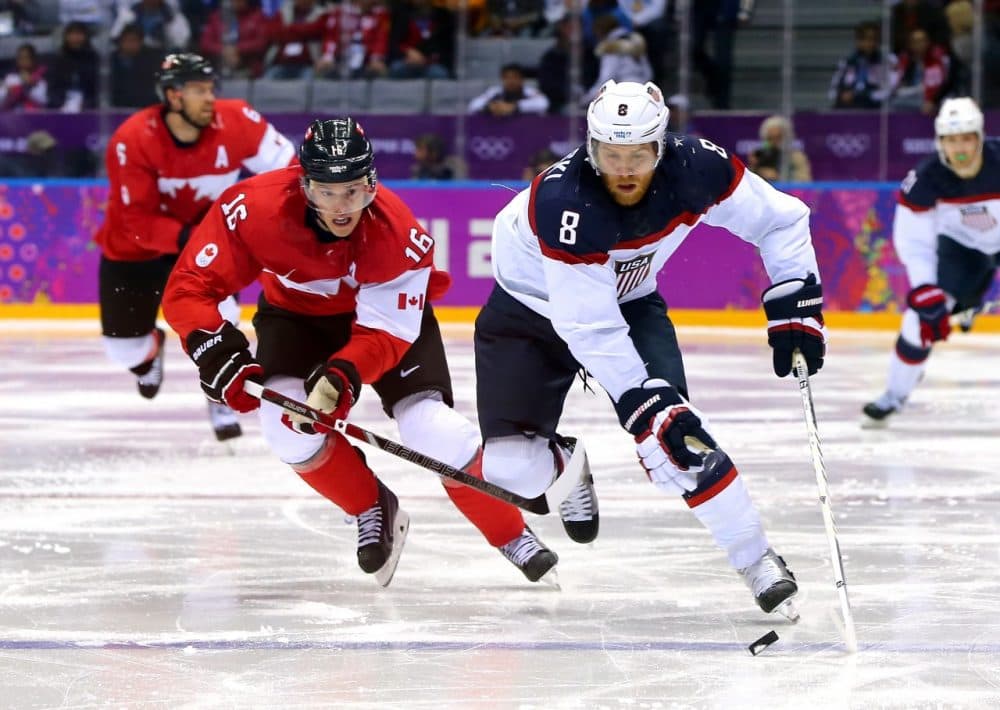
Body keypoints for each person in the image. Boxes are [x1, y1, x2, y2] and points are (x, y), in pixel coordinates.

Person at [160, 117, 567, 586]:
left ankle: (510, 532)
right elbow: (191, 285)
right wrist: (214, 347)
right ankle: (372, 506)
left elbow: (386, 334)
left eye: (353, 190)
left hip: (382, 332)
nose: (340, 207)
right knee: (285, 430)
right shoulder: (250, 207)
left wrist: (341, 376)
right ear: (303, 182)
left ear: (372, 182)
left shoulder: (399, 235)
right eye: (326, 191)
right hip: (295, 322)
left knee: (433, 431)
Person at [475, 79, 826, 618]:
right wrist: (643, 402)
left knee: (677, 439)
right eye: (610, 154)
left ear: (661, 147)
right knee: (510, 470)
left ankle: (758, 562)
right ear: (590, 148)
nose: (624, 168)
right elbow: (587, 325)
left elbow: (780, 221)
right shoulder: (565, 200)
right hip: (528, 314)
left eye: (638, 155)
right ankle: (565, 463)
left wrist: (795, 299)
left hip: (629, 303)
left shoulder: (698, 168)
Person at [94, 53, 296, 442]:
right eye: (198, 90)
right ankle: (149, 352)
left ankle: (224, 388)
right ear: (172, 96)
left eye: (210, 89)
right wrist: (190, 236)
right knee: (123, 351)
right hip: (137, 252)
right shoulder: (133, 139)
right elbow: (134, 225)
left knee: (223, 312)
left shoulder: (237, 118)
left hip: (206, 248)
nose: (210, 98)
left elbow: (289, 172)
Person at [863, 97, 998, 428]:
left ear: (980, 137)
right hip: (962, 251)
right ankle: (893, 396)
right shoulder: (925, 179)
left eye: (967, 138)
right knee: (918, 322)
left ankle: (970, 304)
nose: (961, 149)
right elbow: (914, 240)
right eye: (952, 141)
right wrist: (925, 290)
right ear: (940, 143)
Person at [747, 115, 812, 184]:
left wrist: (778, 176)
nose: (774, 142)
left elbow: (805, 181)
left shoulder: (797, 157)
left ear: (787, 137)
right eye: (770, 138)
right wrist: (754, 168)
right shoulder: (760, 155)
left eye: (778, 137)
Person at [467, 63, 549, 117]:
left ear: (522, 79)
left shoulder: (530, 92)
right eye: (507, 78)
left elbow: (543, 103)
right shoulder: (495, 91)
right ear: (502, 79)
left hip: (528, 129)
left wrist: (514, 107)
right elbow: (473, 105)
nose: (511, 81)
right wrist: (489, 107)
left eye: (515, 77)